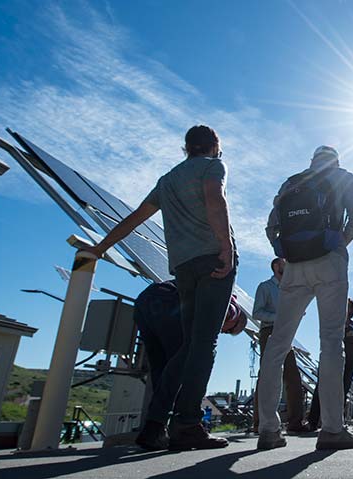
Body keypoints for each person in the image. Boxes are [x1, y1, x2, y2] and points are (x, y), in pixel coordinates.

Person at [86, 125, 237, 451]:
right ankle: (187, 424)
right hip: (213, 260)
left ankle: (154, 424)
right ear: (214, 146)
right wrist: (226, 246)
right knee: (203, 344)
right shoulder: (214, 166)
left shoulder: (167, 180)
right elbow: (215, 199)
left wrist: (101, 246)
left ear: (186, 148)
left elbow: (136, 217)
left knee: (188, 347)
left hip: (182, 267)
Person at [257, 145, 353, 451]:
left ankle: (268, 429)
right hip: (329, 260)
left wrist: (288, 253)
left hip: (293, 268)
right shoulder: (344, 177)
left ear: (312, 162)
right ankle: (332, 429)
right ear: (336, 161)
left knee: (278, 344)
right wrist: (337, 243)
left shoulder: (292, 182)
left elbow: (271, 228)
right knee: (331, 342)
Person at [132, 281, 247, 449]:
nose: (223, 331)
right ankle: (179, 427)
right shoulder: (232, 307)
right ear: (236, 320)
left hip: (145, 302)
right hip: (170, 303)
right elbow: (227, 313)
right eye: (229, 330)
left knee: (162, 368)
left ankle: (156, 428)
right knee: (188, 362)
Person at [252, 258, 307, 434]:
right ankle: (260, 422)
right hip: (269, 332)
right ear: (276, 266)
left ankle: (295, 422)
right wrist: (281, 317)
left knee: (293, 376)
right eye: (285, 263)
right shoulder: (265, 287)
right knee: (267, 374)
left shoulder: (290, 288)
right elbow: (257, 312)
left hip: (287, 333)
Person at [308, 298, 353, 431]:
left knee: (343, 388)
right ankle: (313, 421)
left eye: (348, 306)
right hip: (333, 355)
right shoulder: (333, 321)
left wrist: (345, 332)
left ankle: (337, 421)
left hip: (349, 357)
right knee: (322, 386)